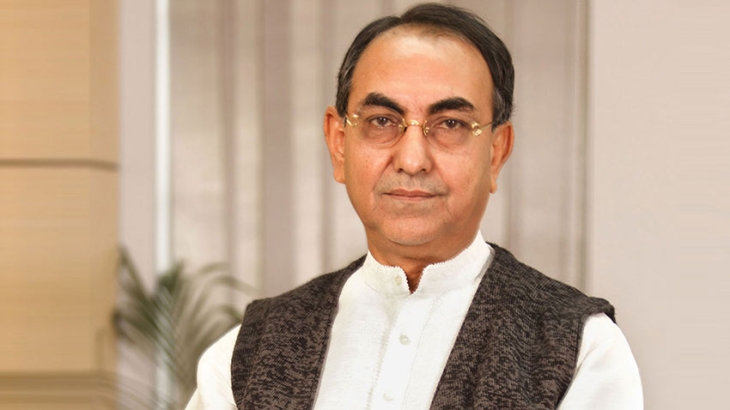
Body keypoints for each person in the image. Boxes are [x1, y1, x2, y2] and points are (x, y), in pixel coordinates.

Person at [186, 3, 642, 409]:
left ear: (497, 151)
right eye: (382, 121)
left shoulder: (581, 349)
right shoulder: (247, 353)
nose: (411, 159)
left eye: (450, 124)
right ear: (339, 144)